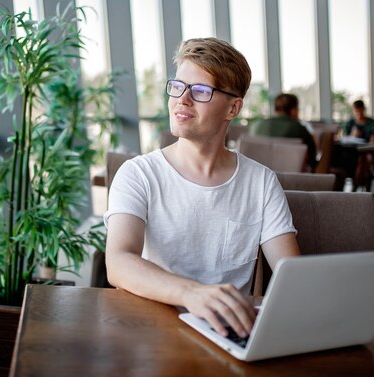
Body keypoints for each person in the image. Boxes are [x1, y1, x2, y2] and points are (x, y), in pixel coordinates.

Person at [104, 38, 300, 340]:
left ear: (233, 107)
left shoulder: (261, 182)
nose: (182, 99)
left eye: (200, 91)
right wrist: (193, 294)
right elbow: (118, 262)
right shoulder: (138, 174)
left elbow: (292, 277)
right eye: (178, 86)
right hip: (152, 332)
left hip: (227, 334)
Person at [250, 93, 317, 170]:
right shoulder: (299, 128)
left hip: (260, 175)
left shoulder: (257, 126)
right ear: (294, 110)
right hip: (292, 178)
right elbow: (312, 157)